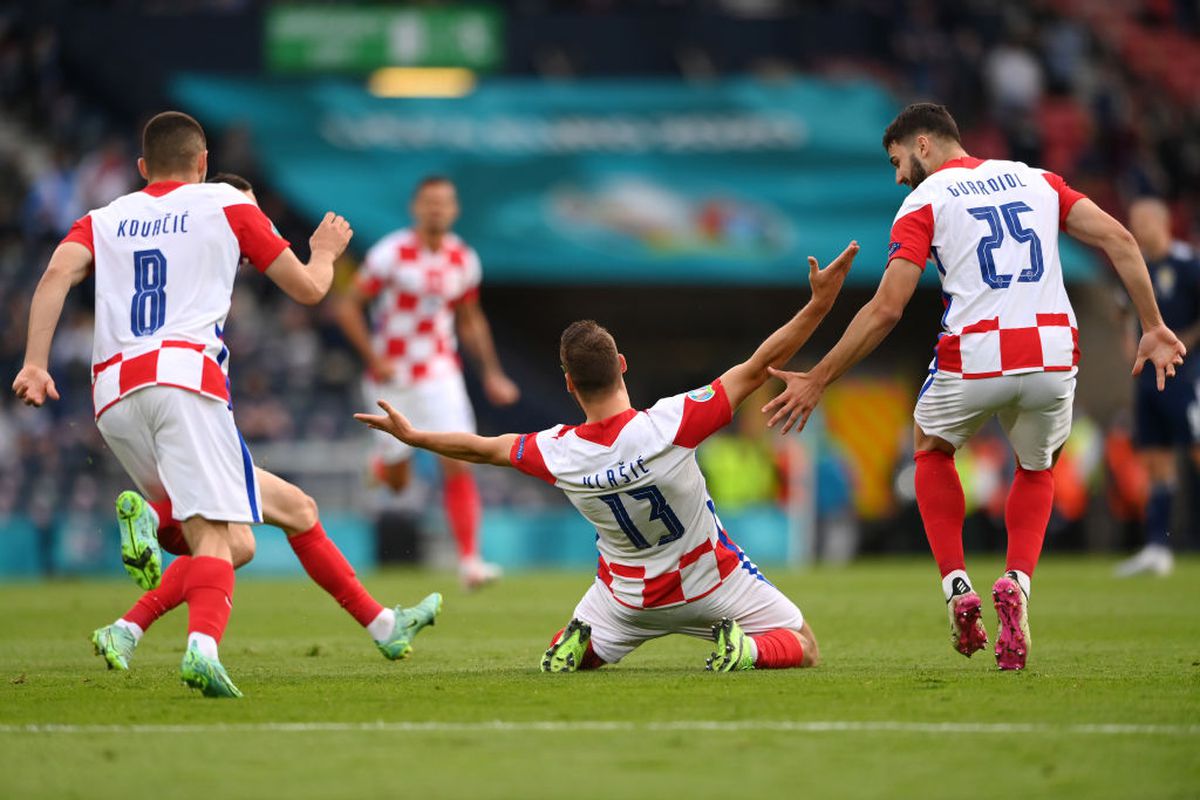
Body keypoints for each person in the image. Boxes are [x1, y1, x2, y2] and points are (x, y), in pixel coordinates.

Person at [761, 103, 1185, 671]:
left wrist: (819, 377)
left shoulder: (924, 202)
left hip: (977, 353)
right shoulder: (1038, 180)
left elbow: (887, 308)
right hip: (1052, 351)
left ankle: (957, 585)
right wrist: (1153, 325)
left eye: (897, 161)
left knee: (931, 448)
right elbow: (1121, 240)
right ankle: (1017, 582)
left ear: (924, 145)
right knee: (1036, 468)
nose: (898, 177)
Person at [355, 242, 859, 672]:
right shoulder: (672, 424)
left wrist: (414, 436)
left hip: (625, 602)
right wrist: (818, 305)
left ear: (569, 384)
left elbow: (481, 448)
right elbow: (758, 365)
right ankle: (747, 651)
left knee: (600, 618)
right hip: (711, 583)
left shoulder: (558, 452)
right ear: (621, 364)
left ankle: (583, 642)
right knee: (804, 645)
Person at [13, 111, 351, 698]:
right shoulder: (227, 202)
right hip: (183, 381)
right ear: (203, 162)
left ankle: (153, 531)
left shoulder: (104, 217)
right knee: (218, 535)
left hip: (113, 397)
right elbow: (309, 289)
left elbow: (54, 276)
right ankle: (202, 649)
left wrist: (34, 363)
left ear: (143, 167)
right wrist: (323, 252)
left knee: (224, 540)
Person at [89, 173, 442, 675]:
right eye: (248, 211)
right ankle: (159, 520)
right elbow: (311, 288)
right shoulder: (213, 227)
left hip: (128, 388)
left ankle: (126, 628)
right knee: (251, 527)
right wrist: (323, 253)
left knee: (258, 534)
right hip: (188, 392)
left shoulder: (184, 246)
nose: (256, 223)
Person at [335, 176, 518, 590]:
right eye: (429, 202)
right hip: (392, 377)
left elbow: (470, 319)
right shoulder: (390, 254)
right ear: (416, 207)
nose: (437, 209)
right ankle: (382, 464)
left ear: (454, 210)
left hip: (440, 373)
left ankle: (470, 562)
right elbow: (347, 307)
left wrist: (492, 373)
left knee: (459, 459)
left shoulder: (462, 258)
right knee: (399, 483)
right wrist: (373, 357)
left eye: (444, 203)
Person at [1115, 197, 1200, 577]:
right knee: (1154, 459)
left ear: (1161, 221)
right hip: (1150, 378)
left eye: (1142, 221)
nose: (1136, 228)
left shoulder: (1187, 263)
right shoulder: (1138, 267)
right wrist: (1128, 342)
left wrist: (1185, 341)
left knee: (1196, 450)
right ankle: (1157, 547)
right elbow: (1122, 311)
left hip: (1188, 373)